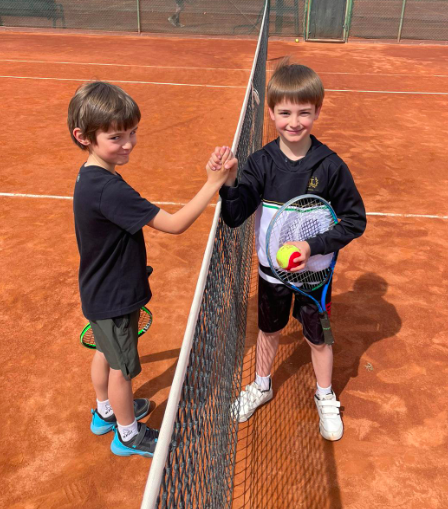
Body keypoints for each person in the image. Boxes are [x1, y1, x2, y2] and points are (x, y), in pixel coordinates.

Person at [68, 81, 230, 457]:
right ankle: (127, 435)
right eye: (116, 137)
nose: (128, 143)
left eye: (132, 132)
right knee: (122, 370)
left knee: (105, 353)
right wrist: (213, 184)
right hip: (115, 298)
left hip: (98, 291)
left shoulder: (90, 175)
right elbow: (174, 224)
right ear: (83, 137)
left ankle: (105, 412)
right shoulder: (110, 189)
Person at [206, 60, 366, 441]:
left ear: (317, 111)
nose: (294, 122)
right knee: (269, 330)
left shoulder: (330, 167)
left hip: (315, 275)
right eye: (285, 113)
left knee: (318, 337)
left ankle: (324, 394)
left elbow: (354, 220)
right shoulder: (261, 163)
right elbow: (235, 215)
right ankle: (262, 385)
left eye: (304, 113)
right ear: (272, 112)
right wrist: (228, 182)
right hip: (271, 273)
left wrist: (311, 246)